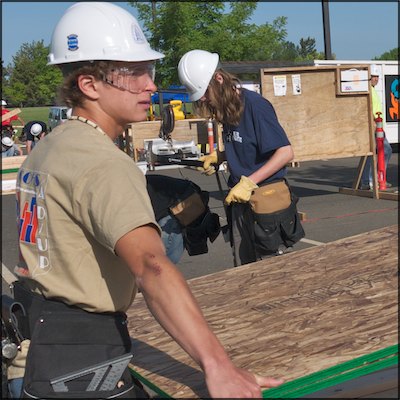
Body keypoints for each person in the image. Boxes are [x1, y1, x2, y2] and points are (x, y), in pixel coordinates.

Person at [9, 3, 283, 399]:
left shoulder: (47, 149)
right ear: (89, 85)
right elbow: (152, 267)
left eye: (149, 71)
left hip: (36, 354)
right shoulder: (102, 162)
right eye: (134, 72)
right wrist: (219, 367)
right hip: (84, 366)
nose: (151, 86)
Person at [178, 49, 304, 266]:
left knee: (270, 270)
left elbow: (285, 152)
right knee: (244, 268)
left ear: (218, 79)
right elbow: (247, 144)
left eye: (205, 92)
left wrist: (250, 182)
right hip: (240, 199)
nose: (205, 99)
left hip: (266, 201)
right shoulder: (227, 108)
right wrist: (220, 156)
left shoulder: (255, 106)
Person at [360, 64, 393, 190]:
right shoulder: (368, 91)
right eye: (373, 77)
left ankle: (373, 179)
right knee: (383, 150)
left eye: (377, 77)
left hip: (377, 126)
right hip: (374, 126)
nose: (376, 79)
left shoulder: (372, 90)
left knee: (374, 152)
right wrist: (374, 124)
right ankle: (375, 179)